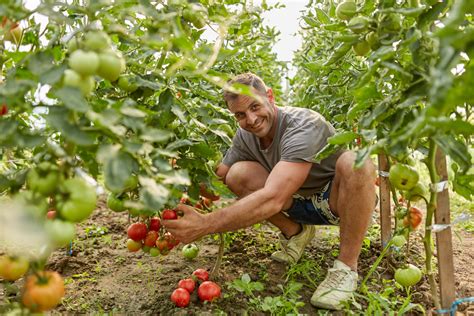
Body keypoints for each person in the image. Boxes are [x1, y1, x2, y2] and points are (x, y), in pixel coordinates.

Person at [162, 72, 377, 310]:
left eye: (255, 106)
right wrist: (169, 182)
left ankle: (346, 268)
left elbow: (274, 198)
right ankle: (296, 233)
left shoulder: (304, 124)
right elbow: (219, 178)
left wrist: (205, 224)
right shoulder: (245, 135)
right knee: (237, 174)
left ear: (270, 97)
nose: (251, 120)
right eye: (240, 115)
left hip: (334, 202)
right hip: (295, 202)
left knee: (358, 162)